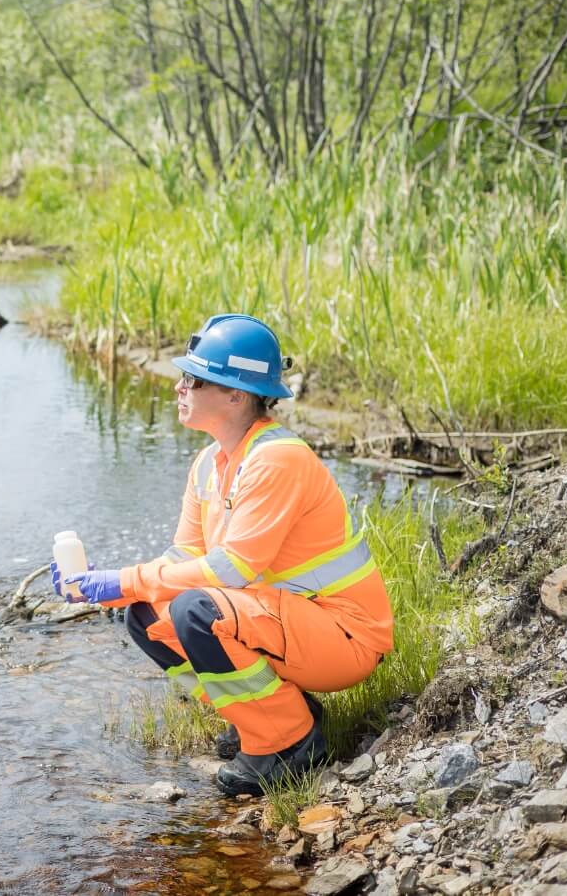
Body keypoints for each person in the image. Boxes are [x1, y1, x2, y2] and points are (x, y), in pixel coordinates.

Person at [55, 314, 394, 796]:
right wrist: (106, 586)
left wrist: (125, 578)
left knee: (197, 609)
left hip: (344, 638)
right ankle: (269, 714)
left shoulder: (277, 459)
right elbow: (184, 555)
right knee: (147, 614)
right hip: (290, 622)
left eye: (194, 379)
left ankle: (288, 744)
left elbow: (233, 568)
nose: (179, 387)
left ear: (237, 394)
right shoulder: (210, 463)